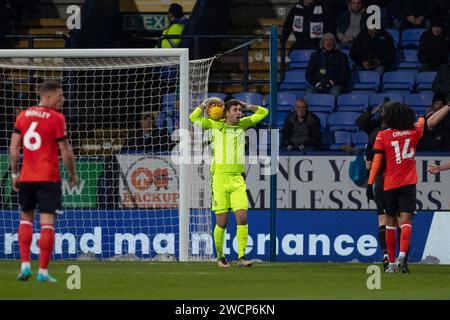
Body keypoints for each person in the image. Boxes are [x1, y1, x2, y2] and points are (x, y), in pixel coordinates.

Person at [10, 81, 77, 282]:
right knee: (47, 223)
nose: (63, 100)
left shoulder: (22, 115)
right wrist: (72, 174)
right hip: (48, 178)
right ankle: (43, 272)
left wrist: (15, 175)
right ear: (47, 97)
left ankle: (24, 267)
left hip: (27, 177)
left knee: (25, 219)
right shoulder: (56, 118)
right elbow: (65, 150)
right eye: (60, 96)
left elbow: (14, 150)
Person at [189, 98, 269, 268]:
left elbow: (264, 112)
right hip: (219, 179)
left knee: (242, 216)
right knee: (222, 222)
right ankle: (220, 257)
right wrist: (204, 104)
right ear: (226, 112)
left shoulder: (243, 124)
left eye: (240, 110)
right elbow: (193, 118)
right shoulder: (214, 125)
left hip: (237, 179)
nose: (240, 113)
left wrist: (248, 105)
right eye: (236, 110)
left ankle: (241, 257)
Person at [366, 102, 424, 273]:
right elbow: (421, 122)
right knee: (406, 222)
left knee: (389, 223)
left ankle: (390, 264)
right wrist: (419, 117)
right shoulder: (414, 133)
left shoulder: (382, 135)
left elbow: (376, 162)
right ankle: (402, 256)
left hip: (389, 184)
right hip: (408, 184)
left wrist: (370, 183)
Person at [305, 33, 350, 97]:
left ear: (334, 43)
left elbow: (345, 74)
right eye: (326, 40)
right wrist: (317, 84)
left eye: (331, 40)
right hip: (318, 83)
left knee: (335, 92)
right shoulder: (315, 55)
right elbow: (308, 74)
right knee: (309, 92)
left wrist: (332, 82)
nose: (328, 43)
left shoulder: (342, 56)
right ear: (322, 43)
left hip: (335, 84)